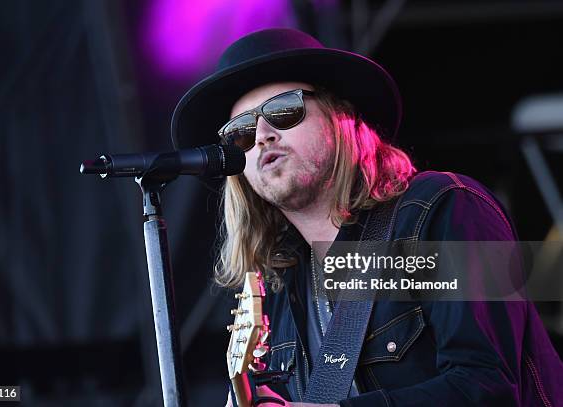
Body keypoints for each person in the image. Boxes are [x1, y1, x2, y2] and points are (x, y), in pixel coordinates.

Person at [171, 28, 562, 406]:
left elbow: (489, 387)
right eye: (240, 131)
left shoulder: (446, 208)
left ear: (341, 116)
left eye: (284, 110)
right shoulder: (278, 291)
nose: (262, 135)